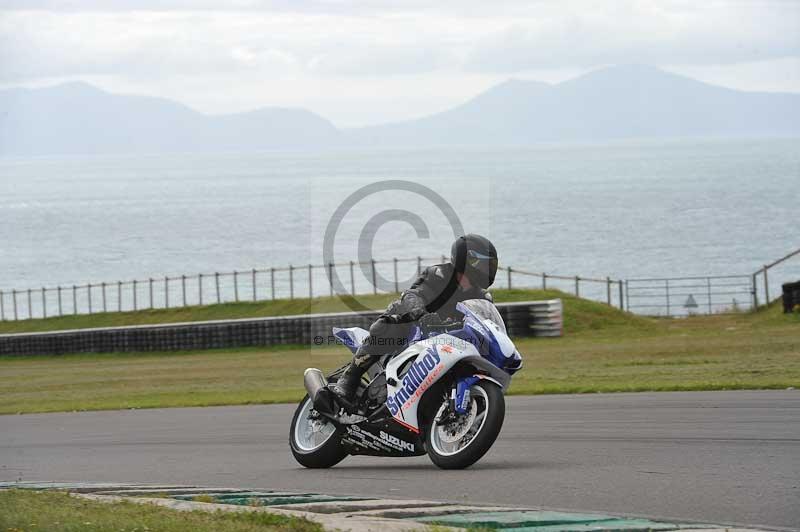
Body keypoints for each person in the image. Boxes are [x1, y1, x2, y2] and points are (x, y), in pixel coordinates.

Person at [331, 234, 499, 401]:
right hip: (417, 325)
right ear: (467, 259)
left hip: (450, 339)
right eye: (485, 264)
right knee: (390, 325)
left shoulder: (482, 296)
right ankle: (349, 378)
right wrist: (421, 314)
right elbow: (413, 294)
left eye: (491, 264)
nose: (489, 269)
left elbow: (486, 323)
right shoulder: (438, 275)